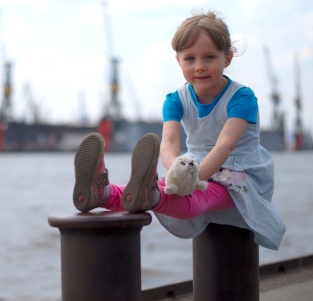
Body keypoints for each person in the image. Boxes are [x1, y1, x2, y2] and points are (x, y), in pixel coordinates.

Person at [72, 10, 285, 250]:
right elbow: (169, 143)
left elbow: (225, 145)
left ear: (227, 58)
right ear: (178, 60)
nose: (199, 67)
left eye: (209, 57)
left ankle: (152, 196)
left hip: (241, 172)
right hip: (194, 164)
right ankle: (101, 193)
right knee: (165, 187)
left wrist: (193, 178)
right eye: (190, 58)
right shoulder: (174, 100)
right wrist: (176, 170)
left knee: (197, 197)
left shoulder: (241, 98)